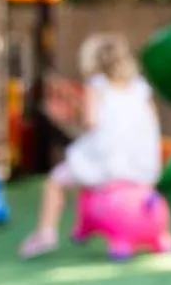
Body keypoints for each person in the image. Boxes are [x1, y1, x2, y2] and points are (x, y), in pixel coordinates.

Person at [18, 32, 162, 259]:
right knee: (83, 174)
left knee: (55, 181)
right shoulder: (140, 88)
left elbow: (90, 122)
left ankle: (45, 233)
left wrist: (67, 114)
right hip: (142, 166)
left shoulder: (96, 86)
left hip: (108, 163)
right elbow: (152, 123)